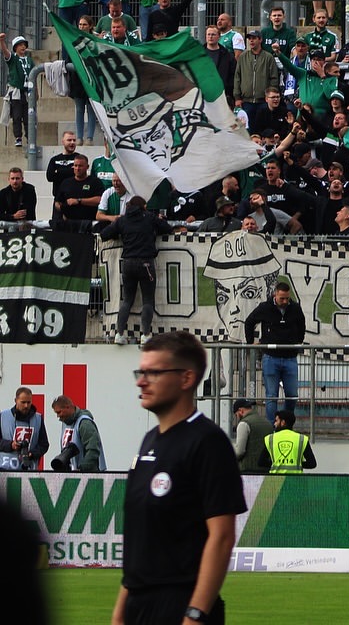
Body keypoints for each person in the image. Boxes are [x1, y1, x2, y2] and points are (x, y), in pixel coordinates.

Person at [116, 331, 246, 625]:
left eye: (153, 373)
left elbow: (222, 536)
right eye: (141, 372)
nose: (141, 381)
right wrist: (121, 609)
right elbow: (143, 540)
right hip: (139, 604)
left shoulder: (208, 443)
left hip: (181, 605)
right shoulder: (149, 440)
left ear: (187, 379)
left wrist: (195, 613)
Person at [102, 195, 173, 343]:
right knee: (147, 300)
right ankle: (145, 335)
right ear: (143, 206)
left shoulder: (122, 220)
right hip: (146, 263)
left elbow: (104, 235)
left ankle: (119, 334)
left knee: (127, 300)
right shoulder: (149, 218)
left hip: (127, 263)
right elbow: (168, 229)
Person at [243, 279, 307, 420]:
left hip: (290, 357)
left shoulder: (295, 308)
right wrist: (250, 342)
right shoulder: (265, 307)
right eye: (281, 298)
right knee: (271, 395)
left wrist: (298, 341)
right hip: (271, 357)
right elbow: (249, 322)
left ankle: (285, 423)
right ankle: (273, 426)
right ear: (275, 295)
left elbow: (302, 324)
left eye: (287, 298)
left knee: (292, 395)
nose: (284, 301)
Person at [49, 394, 106, 472]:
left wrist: (81, 470)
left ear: (67, 407)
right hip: (73, 473)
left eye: (59, 412)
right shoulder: (65, 423)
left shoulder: (85, 423)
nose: (58, 416)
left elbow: (93, 450)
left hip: (88, 475)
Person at [0, 387, 48, 470]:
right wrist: (10, 445)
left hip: (29, 471)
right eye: (23, 402)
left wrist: (32, 454)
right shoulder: (3, 416)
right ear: (16, 400)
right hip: (5, 470)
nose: (26, 405)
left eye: (28, 402)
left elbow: (44, 445)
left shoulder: (38, 418)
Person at [1, 33, 34, 148]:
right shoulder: (13, 59)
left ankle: (30, 137)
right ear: (15, 47)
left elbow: (33, 75)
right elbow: (6, 53)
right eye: (20, 45)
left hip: (27, 92)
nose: (22, 47)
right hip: (16, 92)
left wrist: (36, 92)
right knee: (16, 116)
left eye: (24, 44)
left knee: (28, 116)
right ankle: (18, 137)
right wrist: (2, 42)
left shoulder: (29, 60)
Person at [263, 409, 317, 473]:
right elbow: (312, 464)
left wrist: (277, 463)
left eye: (276, 421)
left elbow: (261, 462)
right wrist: (296, 463)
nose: (274, 424)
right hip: (296, 480)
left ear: (283, 422)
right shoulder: (302, 439)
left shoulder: (270, 438)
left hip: (276, 480)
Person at [231, 399, 273, 475]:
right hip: (266, 469)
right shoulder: (267, 423)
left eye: (236, 414)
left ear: (241, 410)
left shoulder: (244, 424)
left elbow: (239, 451)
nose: (236, 417)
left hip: (248, 469)